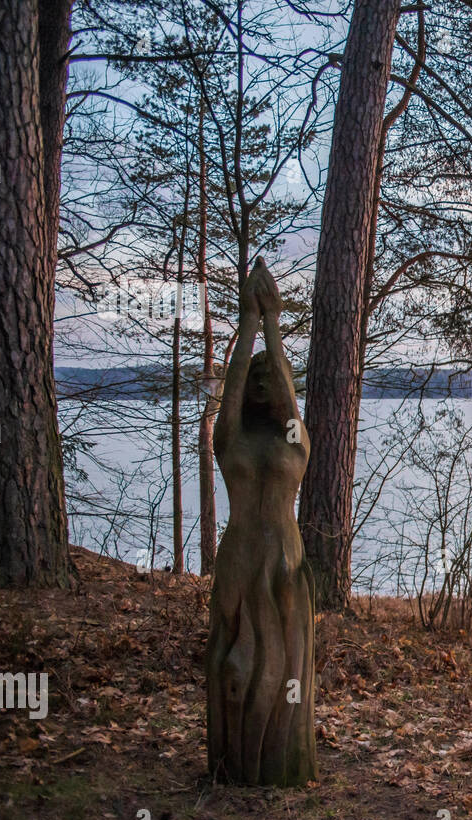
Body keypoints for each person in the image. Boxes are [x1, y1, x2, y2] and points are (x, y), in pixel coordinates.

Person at [208, 258, 317, 786]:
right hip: (238, 560)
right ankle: (230, 764)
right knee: (232, 656)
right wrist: (247, 321)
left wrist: (274, 325)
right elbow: (225, 415)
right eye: (250, 378)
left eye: (266, 379)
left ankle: (279, 763)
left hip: (283, 566)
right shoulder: (233, 442)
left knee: (283, 669)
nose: (258, 384)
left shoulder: (293, 440)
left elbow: (291, 403)